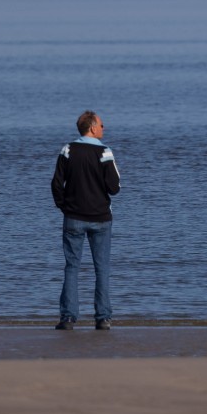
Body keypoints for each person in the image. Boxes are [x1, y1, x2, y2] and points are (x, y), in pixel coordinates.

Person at [51, 110, 120, 330]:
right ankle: (103, 318)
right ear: (92, 128)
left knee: (72, 267)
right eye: (101, 125)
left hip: (73, 217)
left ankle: (68, 318)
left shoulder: (68, 149)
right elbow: (114, 187)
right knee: (102, 268)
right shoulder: (105, 152)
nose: (103, 128)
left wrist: (64, 207)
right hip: (101, 218)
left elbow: (56, 184)